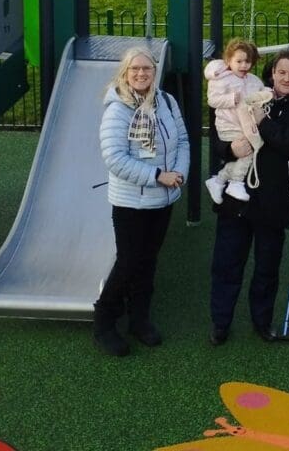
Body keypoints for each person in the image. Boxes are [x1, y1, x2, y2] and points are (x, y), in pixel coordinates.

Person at [209, 48, 289, 345]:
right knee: (227, 262)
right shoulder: (247, 93)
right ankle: (220, 322)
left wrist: (264, 122)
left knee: (266, 267)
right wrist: (229, 150)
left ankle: (262, 322)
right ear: (272, 73)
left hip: (275, 200)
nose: (286, 78)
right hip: (237, 198)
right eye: (281, 72)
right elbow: (220, 138)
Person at [93, 47, 190, 357]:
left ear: (154, 72)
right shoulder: (118, 109)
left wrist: (178, 174)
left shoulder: (166, 102)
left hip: (162, 200)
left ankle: (139, 318)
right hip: (132, 202)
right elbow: (115, 158)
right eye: (135, 69)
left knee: (148, 260)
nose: (141, 74)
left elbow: (184, 141)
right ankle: (104, 320)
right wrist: (158, 175)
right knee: (129, 261)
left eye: (147, 69)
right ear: (125, 72)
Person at [204, 38, 274, 203]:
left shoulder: (252, 80)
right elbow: (212, 100)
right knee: (249, 150)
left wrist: (267, 92)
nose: (244, 66)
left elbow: (259, 90)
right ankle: (235, 183)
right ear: (229, 61)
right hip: (228, 124)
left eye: (247, 61)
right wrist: (231, 98)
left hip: (244, 124)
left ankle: (219, 180)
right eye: (239, 61)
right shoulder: (221, 80)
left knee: (247, 152)